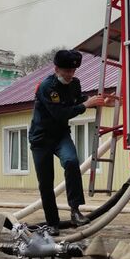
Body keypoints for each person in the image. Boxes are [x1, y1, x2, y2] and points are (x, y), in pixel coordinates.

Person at [29, 49, 108, 234]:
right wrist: (84, 106)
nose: (70, 75)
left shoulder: (75, 83)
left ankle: (75, 210)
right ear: (56, 69)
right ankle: (52, 223)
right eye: (66, 71)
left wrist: (96, 101)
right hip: (41, 139)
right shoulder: (47, 87)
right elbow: (60, 114)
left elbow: (77, 99)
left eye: (73, 71)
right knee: (46, 182)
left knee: (72, 162)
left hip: (60, 135)